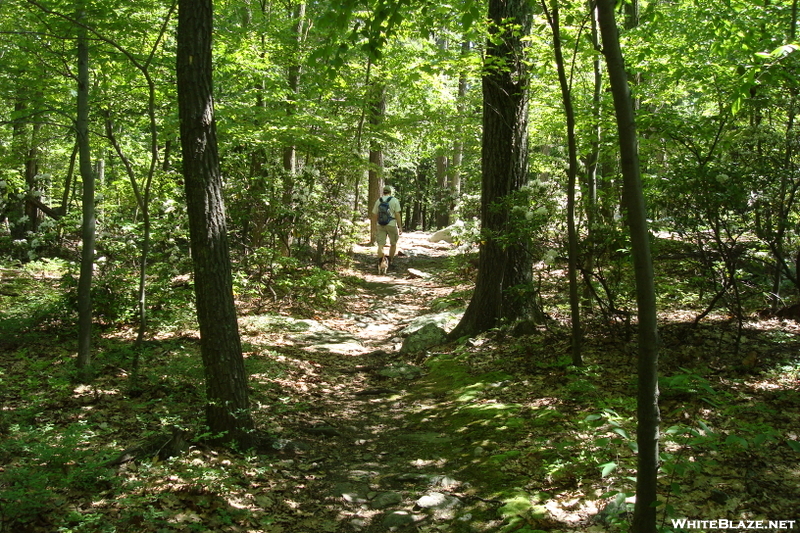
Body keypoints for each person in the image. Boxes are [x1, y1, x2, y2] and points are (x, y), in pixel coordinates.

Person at [372, 185, 402, 269]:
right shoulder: (395, 200)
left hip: (380, 224)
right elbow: (397, 214)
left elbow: (374, 214)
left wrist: (374, 225)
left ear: (383, 192)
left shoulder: (378, 201)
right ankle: (390, 261)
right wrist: (400, 227)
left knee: (380, 245)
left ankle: (380, 261)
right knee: (393, 243)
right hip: (391, 224)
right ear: (390, 192)